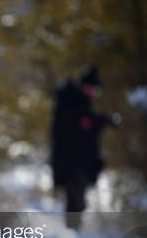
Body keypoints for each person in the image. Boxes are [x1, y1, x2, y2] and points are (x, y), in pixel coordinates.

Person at [51, 65, 119, 229]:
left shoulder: (78, 101)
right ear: (85, 86)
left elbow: (88, 124)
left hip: (78, 160)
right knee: (75, 197)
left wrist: (101, 121)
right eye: (92, 89)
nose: (94, 93)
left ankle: (75, 231)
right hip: (72, 161)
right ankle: (73, 233)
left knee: (78, 198)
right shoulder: (72, 102)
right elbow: (80, 127)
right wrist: (99, 122)